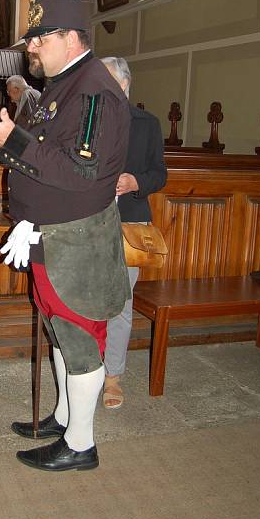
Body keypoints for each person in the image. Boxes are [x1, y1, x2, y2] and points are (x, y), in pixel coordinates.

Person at [0, 0, 131, 472]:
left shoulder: (93, 90)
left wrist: (10, 140)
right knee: (59, 329)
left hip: (76, 239)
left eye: (39, 38)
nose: (31, 47)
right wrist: (14, 138)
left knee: (78, 333)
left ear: (70, 38)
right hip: (52, 234)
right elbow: (45, 150)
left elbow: (84, 172)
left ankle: (81, 444)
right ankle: (64, 416)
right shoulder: (64, 84)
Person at [100, 56, 167, 409]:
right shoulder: (87, 119)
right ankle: (86, 372)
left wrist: (135, 181)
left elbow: (159, 173)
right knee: (83, 300)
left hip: (128, 223)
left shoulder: (146, 123)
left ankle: (113, 378)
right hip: (87, 221)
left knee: (120, 305)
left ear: (125, 84)